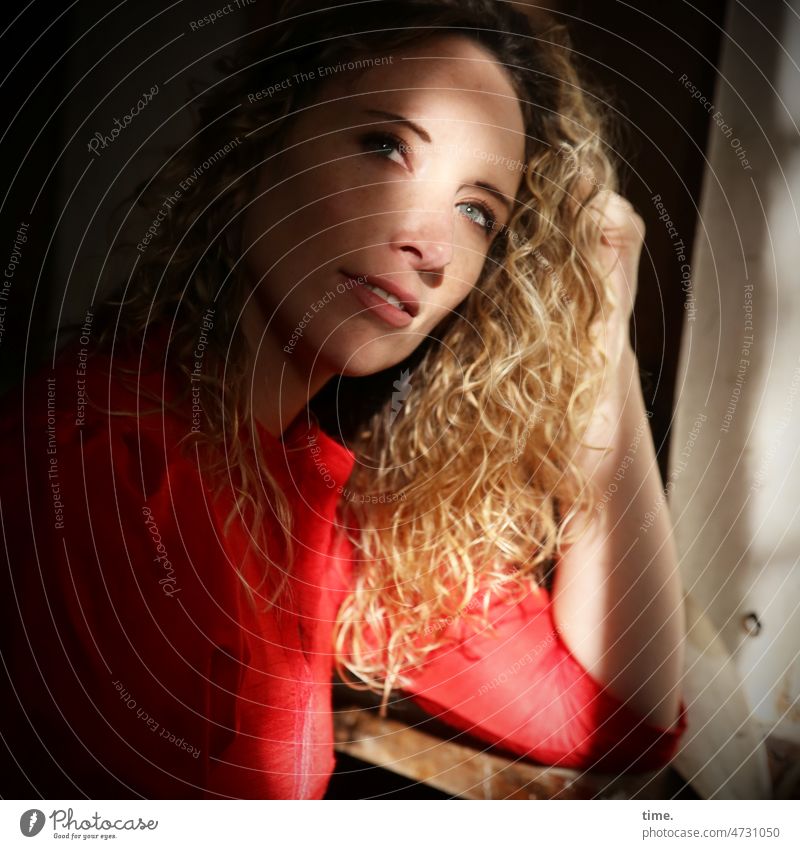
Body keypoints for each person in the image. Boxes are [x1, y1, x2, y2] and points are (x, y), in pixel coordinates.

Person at [0, 0, 687, 799]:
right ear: (258, 142)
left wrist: (603, 331)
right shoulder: (94, 467)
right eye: (384, 146)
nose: (430, 246)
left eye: (476, 212)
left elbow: (616, 719)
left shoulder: (320, 515)